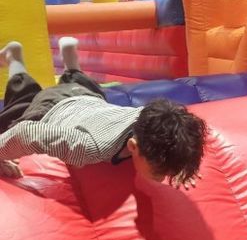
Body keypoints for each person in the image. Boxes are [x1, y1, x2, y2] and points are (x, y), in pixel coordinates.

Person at [0, 38, 207, 188]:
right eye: (159, 173)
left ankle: (71, 59)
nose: (162, 179)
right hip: (52, 106)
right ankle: (14, 57)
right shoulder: (88, 148)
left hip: (87, 96)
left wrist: (181, 166)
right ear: (132, 146)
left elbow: (178, 133)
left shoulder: (151, 117)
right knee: (21, 97)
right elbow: (27, 133)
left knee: (92, 92)